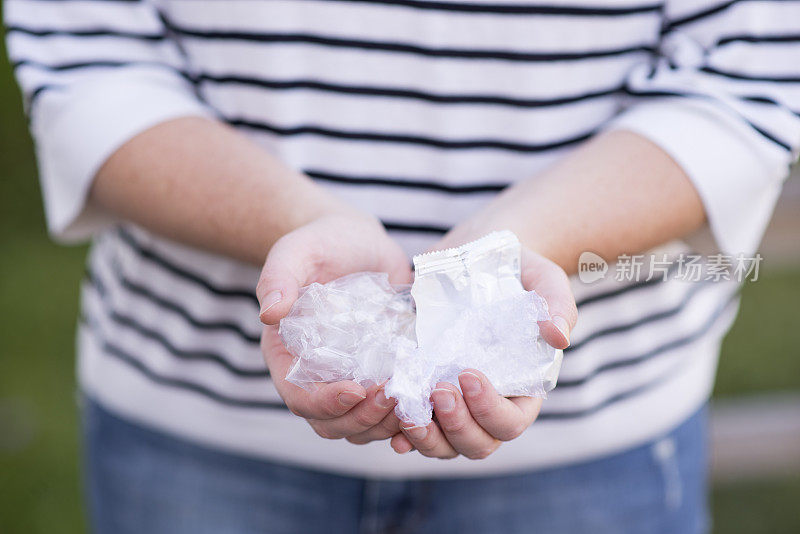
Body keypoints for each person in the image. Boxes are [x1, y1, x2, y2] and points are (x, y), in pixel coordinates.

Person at [6, 0, 799, 532]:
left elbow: (748, 75)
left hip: (592, 442)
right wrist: (296, 221)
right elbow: (88, 61)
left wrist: (525, 237)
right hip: (193, 425)